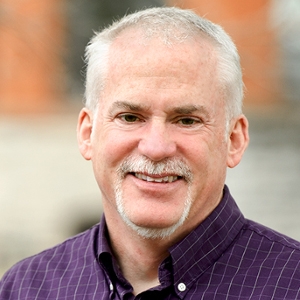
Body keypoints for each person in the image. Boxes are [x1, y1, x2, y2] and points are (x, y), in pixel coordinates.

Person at [1, 6, 300, 300]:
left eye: (186, 120)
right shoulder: (26, 288)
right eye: (130, 117)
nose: (156, 148)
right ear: (87, 133)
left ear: (234, 140)